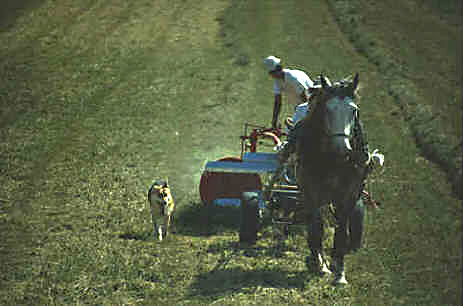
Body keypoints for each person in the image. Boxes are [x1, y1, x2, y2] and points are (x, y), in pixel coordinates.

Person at [264, 56, 314, 130]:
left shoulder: (292, 77)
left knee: (292, 129)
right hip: (300, 106)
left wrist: (306, 115)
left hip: (311, 103)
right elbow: (278, 102)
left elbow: (305, 96)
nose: (271, 76)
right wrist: (274, 121)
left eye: (271, 73)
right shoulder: (278, 81)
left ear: (277, 70)